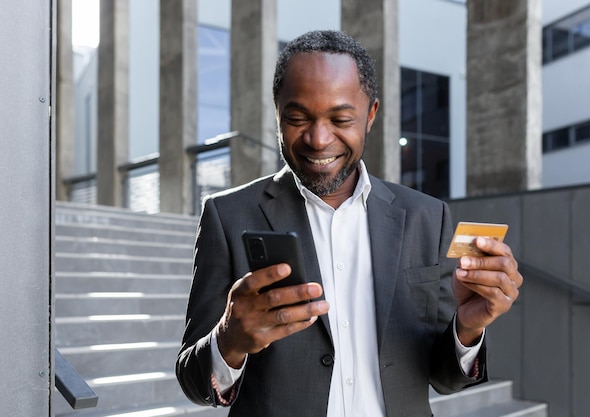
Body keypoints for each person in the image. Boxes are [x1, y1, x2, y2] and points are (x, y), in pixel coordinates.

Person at [176, 30, 523, 417]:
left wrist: (468, 329)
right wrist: (229, 339)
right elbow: (193, 381)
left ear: (371, 114)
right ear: (277, 111)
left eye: (341, 118)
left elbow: (444, 378)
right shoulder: (227, 215)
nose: (319, 139)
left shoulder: (427, 216)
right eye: (296, 117)